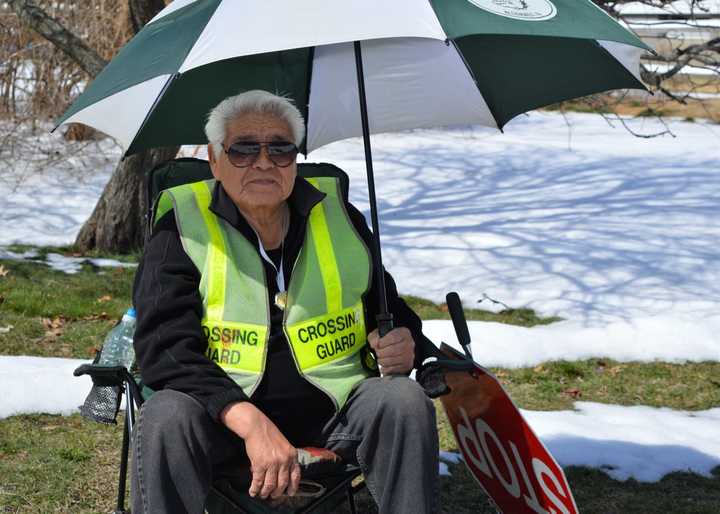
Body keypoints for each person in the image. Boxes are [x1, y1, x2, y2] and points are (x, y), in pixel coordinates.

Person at [131, 90, 439, 514]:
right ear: (214, 159)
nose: (263, 162)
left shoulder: (340, 217)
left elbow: (391, 310)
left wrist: (404, 343)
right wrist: (249, 422)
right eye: (242, 149)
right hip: (224, 423)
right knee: (165, 413)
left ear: (295, 158)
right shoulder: (180, 229)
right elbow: (165, 352)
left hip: (334, 415)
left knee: (403, 400)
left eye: (280, 148)